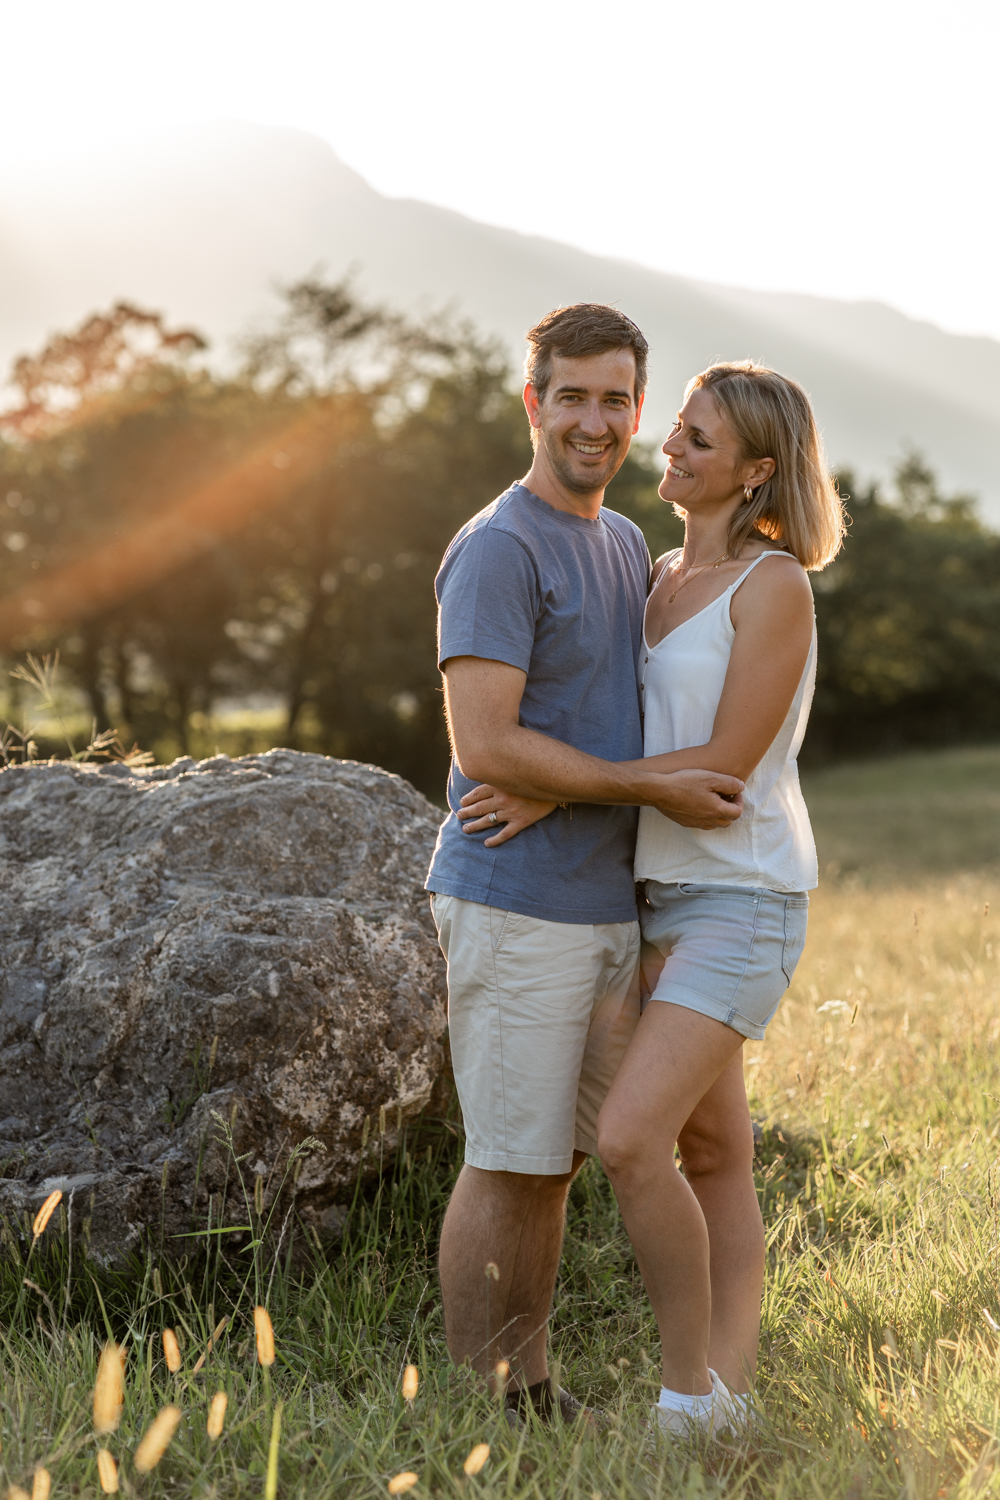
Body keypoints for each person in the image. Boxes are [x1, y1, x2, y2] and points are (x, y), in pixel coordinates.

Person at [458, 361, 845, 1434]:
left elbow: (716, 776)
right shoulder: (652, 566)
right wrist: (553, 788)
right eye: (674, 427)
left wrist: (561, 789)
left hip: (743, 898)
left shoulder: (773, 589)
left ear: (756, 472)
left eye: (699, 440)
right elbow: (614, 731)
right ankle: (730, 1386)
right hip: (650, 896)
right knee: (713, 1151)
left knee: (631, 1141)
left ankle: (687, 1404)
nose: (665, 447)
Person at [425, 305, 746, 1425]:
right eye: (572, 396)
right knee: (506, 1159)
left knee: (555, 1162)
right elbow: (483, 743)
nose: (596, 421)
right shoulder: (499, 546)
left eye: (617, 400)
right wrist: (639, 786)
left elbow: (569, 733)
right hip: (516, 900)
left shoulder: (617, 542)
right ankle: (486, 1407)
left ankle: (532, 1385)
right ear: (533, 403)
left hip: (602, 900)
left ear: (636, 411)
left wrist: (568, 780)